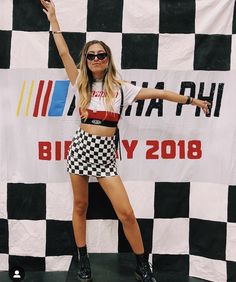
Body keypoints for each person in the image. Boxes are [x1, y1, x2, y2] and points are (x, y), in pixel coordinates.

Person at [40, 1, 210, 281]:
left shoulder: (122, 89)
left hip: (106, 155)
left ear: (108, 59)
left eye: (101, 55)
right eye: (91, 55)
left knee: (126, 213)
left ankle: (142, 263)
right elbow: (62, 52)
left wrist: (193, 100)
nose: (96, 59)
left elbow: (160, 94)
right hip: (80, 150)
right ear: (87, 59)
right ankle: (83, 259)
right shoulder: (80, 81)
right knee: (80, 207)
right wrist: (54, 20)